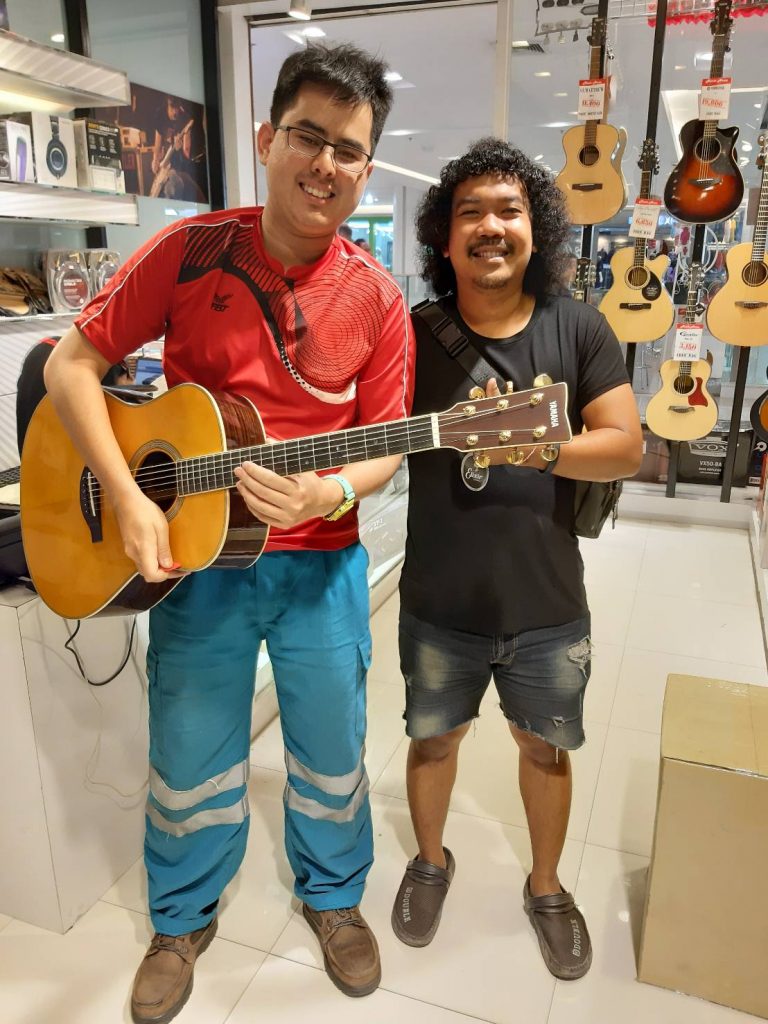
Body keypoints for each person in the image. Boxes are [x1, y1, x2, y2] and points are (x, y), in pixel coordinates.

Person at [44, 43, 413, 1022]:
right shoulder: (190, 249)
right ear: (266, 138)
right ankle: (180, 917)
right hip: (195, 559)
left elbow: (385, 447)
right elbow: (71, 367)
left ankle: (335, 898)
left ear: (367, 167)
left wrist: (330, 491)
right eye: (307, 136)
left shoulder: (379, 298)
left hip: (322, 571)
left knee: (332, 747)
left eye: (348, 149)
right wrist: (125, 493)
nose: (325, 164)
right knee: (189, 748)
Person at [390, 138, 642, 980]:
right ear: (444, 234)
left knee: (544, 751)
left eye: (509, 210)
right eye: (471, 212)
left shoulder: (579, 327)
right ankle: (431, 861)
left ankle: (545, 885)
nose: (490, 227)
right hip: (437, 602)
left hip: (547, 605)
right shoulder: (414, 335)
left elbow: (625, 445)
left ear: (537, 228)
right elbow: (371, 438)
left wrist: (541, 448)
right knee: (433, 745)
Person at [150, 94, 206, 202]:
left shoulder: (186, 119)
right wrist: (155, 160)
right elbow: (157, 145)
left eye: (177, 107)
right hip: (163, 167)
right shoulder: (160, 115)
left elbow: (186, 153)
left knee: (175, 183)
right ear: (167, 103)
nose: (175, 111)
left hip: (178, 168)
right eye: (172, 107)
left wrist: (179, 149)